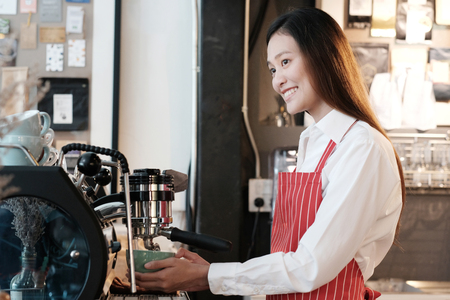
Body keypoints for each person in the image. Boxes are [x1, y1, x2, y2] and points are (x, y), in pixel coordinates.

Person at [130, 7, 405, 299]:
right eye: (273, 69)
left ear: (322, 55)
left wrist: (209, 276)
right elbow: (292, 258)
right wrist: (207, 275)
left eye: (286, 61)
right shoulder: (314, 141)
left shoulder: (362, 147)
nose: (277, 80)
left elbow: (310, 266)